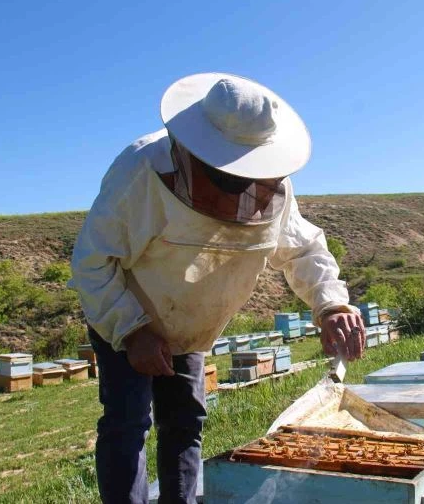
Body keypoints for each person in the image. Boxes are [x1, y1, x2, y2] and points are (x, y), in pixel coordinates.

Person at [70, 73, 366, 504]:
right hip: (125, 314)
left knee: (186, 421)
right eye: (230, 177)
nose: (244, 190)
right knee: (128, 421)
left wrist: (332, 303)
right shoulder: (139, 172)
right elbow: (93, 261)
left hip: (192, 326)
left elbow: (301, 248)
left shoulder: (272, 184)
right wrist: (131, 329)